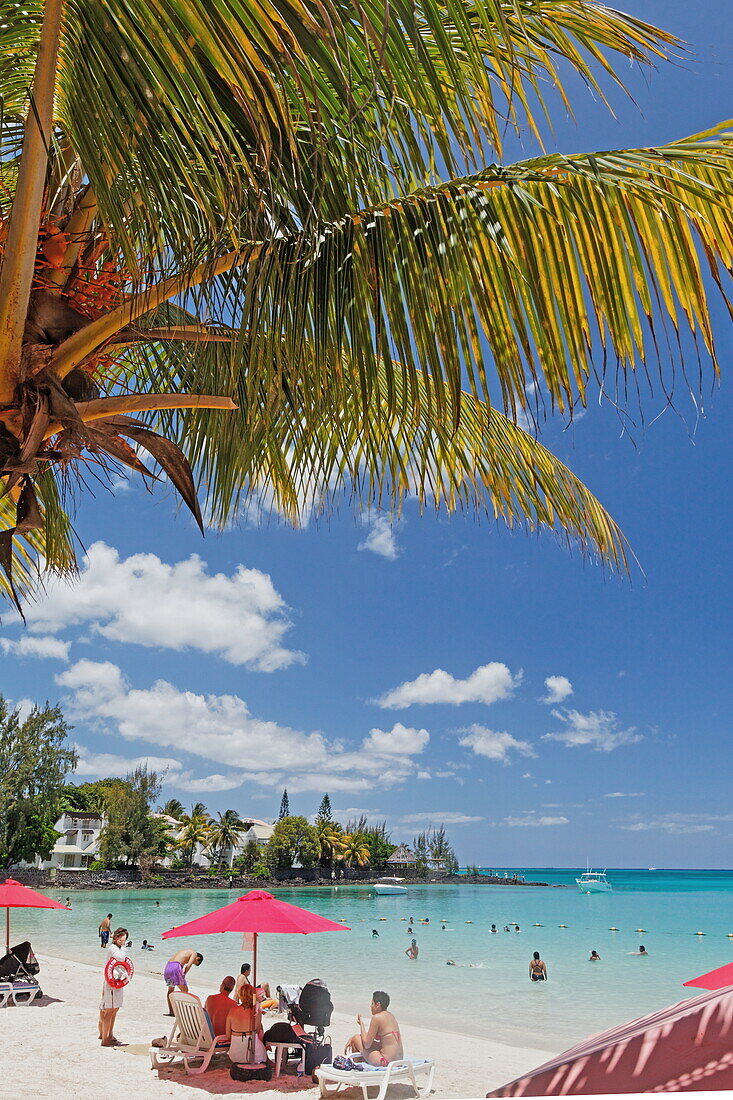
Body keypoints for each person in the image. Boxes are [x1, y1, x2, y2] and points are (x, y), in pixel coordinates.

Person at [345, 991, 403, 1066]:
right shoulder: (391, 1016)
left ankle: (358, 1071)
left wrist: (361, 1024)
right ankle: (361, 1068)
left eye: (372, 1004)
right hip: (398, 1061)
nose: (370, 1006)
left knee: (356, 1039)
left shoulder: (377, 1018)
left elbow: (366, 1044)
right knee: (359, 1038)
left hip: (385, 1062)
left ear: (378, 1004)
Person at [99, 927, 129, 1047]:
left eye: (125, 939)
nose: (123, 940)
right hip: (111, 982)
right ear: (116, 937)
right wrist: (124, 949)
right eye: (122, 938)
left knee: (115, 1009)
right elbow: (121, 958)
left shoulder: (121, 949)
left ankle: (110, 1035)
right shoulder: (113, 948)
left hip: (119, 982)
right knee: (109, 1010)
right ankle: (105, 1039)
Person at [226, 983, 266, 1063]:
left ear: (240, 996)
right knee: (261, 1034)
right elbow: (257, 1031)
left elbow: (228, 1035)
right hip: (253, 1055)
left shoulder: (232, 1011)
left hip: (235, 1055)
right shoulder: (256, 1011)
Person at [164, 948, 203, 1014]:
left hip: (168, 967)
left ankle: (171, 1011)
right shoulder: (194, 953)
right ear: (198, 958)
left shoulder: (184, 951)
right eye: (195, 963)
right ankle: (183, 1012)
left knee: (170, 990)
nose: (193, 962)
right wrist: (184, 974)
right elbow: (188, 965)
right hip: (176, 967)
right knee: (185, 990)